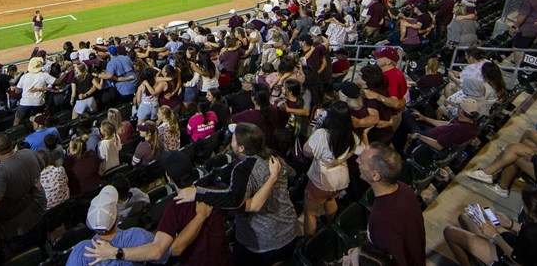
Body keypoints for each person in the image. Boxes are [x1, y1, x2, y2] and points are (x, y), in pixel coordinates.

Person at [84, 150, 234, 266]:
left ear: (168, 177)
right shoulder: (215, 192)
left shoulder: (174, 207)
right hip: (226, 260)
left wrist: (115, 253)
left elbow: (170, 250)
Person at [175, 123, 297, 265]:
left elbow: (234, 200)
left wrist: (197, 193)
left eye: (233, 139)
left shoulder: (243, 168)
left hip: (264, 242)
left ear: (241, 148)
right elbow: (292, 173)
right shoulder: (273, 157)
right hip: (289, 229)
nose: (230, 141)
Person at [444, 185, 537, 266]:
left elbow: (517, 259)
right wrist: (509, 224)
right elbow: (535, 237)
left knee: (450, 232)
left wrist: (494, 236)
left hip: (510, 258)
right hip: (525, 249)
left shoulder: (531, 233)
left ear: (530, 212)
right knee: (465, 217)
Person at [360, 144, 426, 266]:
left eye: (362, 161)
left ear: (375, 175)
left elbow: (394, 261)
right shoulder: (404, 189)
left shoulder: (382, 220)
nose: (357, 161)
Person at [65, 185, 156, 266]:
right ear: (117, 217)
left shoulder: (80, 251)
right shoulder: (139, 236)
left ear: (90, 223)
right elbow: (164, 254)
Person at [302, 101, 354, 236]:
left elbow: (306, 151)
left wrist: (314, 131)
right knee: (330, 199)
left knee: (310, 212)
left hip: (322, 180)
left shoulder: (322, 134)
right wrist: (338, 161)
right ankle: (333, 229)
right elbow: (353, 151)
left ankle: (309, 243)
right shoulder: (350, 133)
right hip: (340, 179)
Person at [13, 57, 54, 125]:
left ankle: (14, 133)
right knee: (40, 122)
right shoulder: (44, 75)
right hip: (38, 103)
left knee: (16, 122)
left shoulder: (24, 76)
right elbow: (57, 82)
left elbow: (17, 91)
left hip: (25, 102)